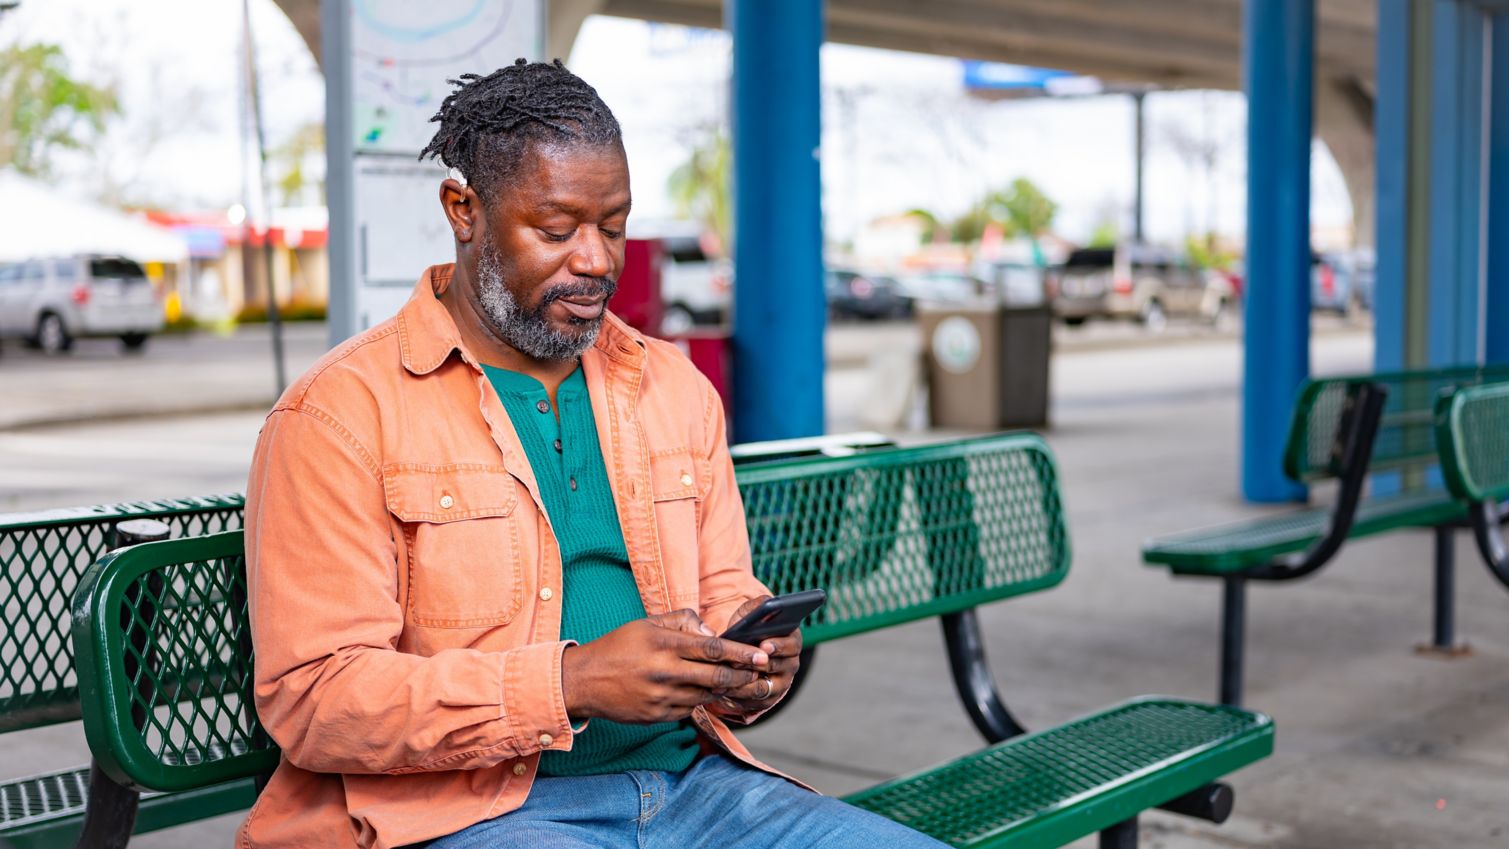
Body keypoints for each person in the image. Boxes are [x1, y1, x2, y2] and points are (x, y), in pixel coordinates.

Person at [241, 60, 948, 849]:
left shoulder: (672, 389)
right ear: (464, 209)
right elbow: (317, 698)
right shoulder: (339, 413)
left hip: (697, 789)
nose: (596, 259)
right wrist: (570, 683)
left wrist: (751, 664)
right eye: (557, 229)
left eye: (612, 226)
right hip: (469, 815)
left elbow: (725, 593)